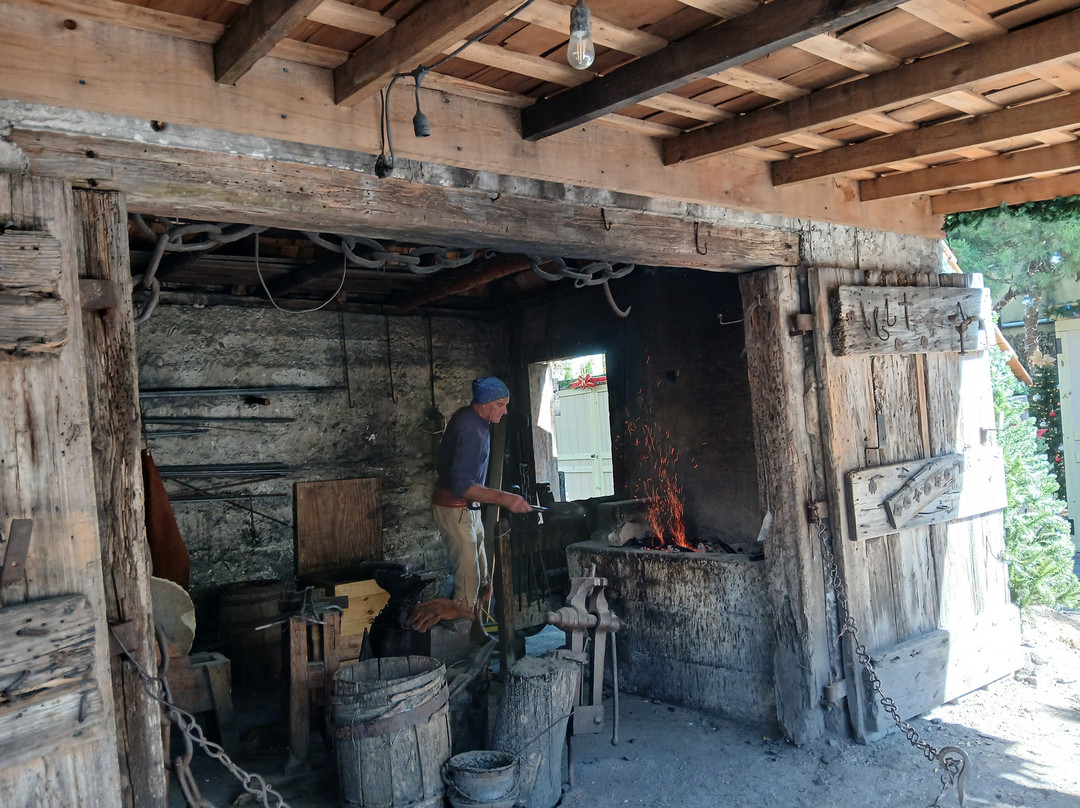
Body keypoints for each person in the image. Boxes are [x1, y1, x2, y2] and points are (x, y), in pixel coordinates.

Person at [408, 376, 533, 632]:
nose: (505, 410)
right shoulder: (470, 429)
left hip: (468, 509)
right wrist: (506, 499)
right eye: (499, 405)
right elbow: (462, 486)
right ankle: (454, 627)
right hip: (454, 508)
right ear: (484, 404)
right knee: (468, 581)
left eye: (505, 404)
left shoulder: (475, 419)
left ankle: (476, 630)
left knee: (482, 575)